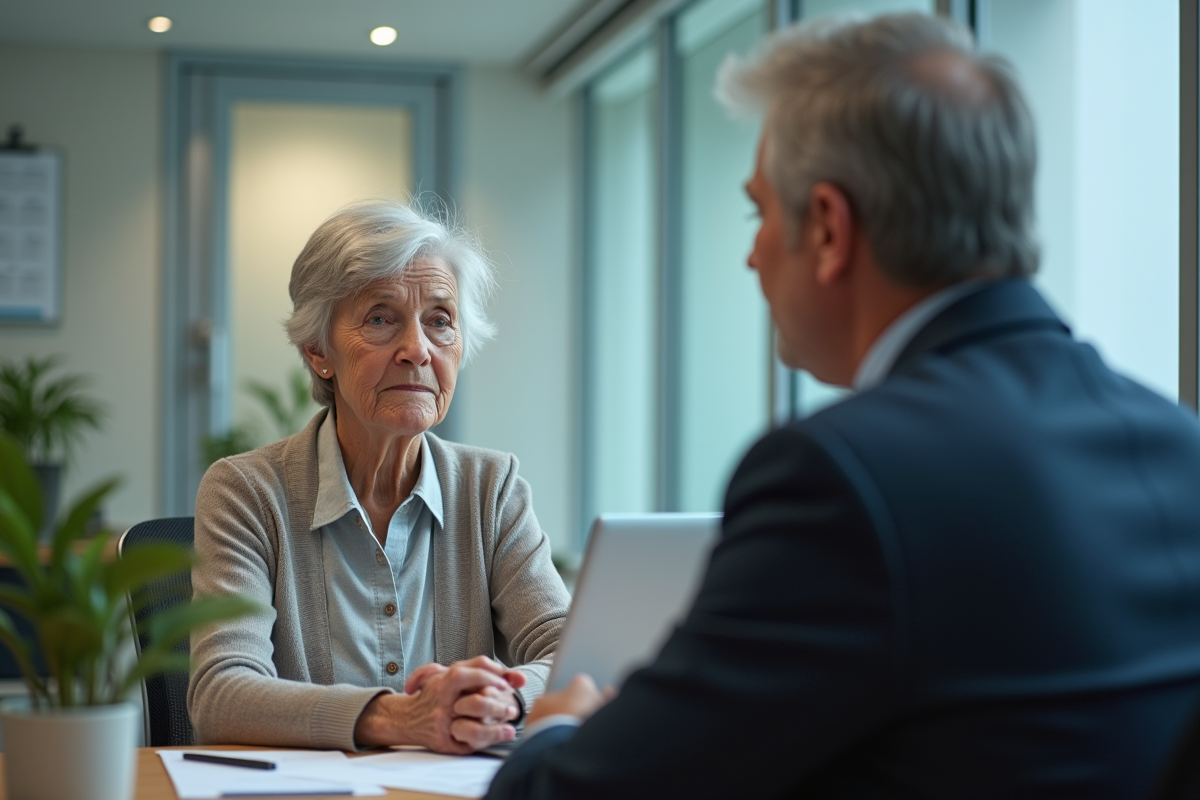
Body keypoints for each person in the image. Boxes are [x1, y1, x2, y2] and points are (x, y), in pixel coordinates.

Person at [486, 12, 1200, 800]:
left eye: (760, 212)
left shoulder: (843, 480)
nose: (751, 253)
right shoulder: (1180, 444)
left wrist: (558, 727)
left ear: (828, 228)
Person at [189, 200, 570, 754]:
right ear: (318, 350)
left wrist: (501, 701)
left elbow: (568, 654)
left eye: (440, 321)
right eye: (380, 319)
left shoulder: (492, 488)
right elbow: (221, 693)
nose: (417, 350)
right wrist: (402, 719)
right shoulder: (247, 492)